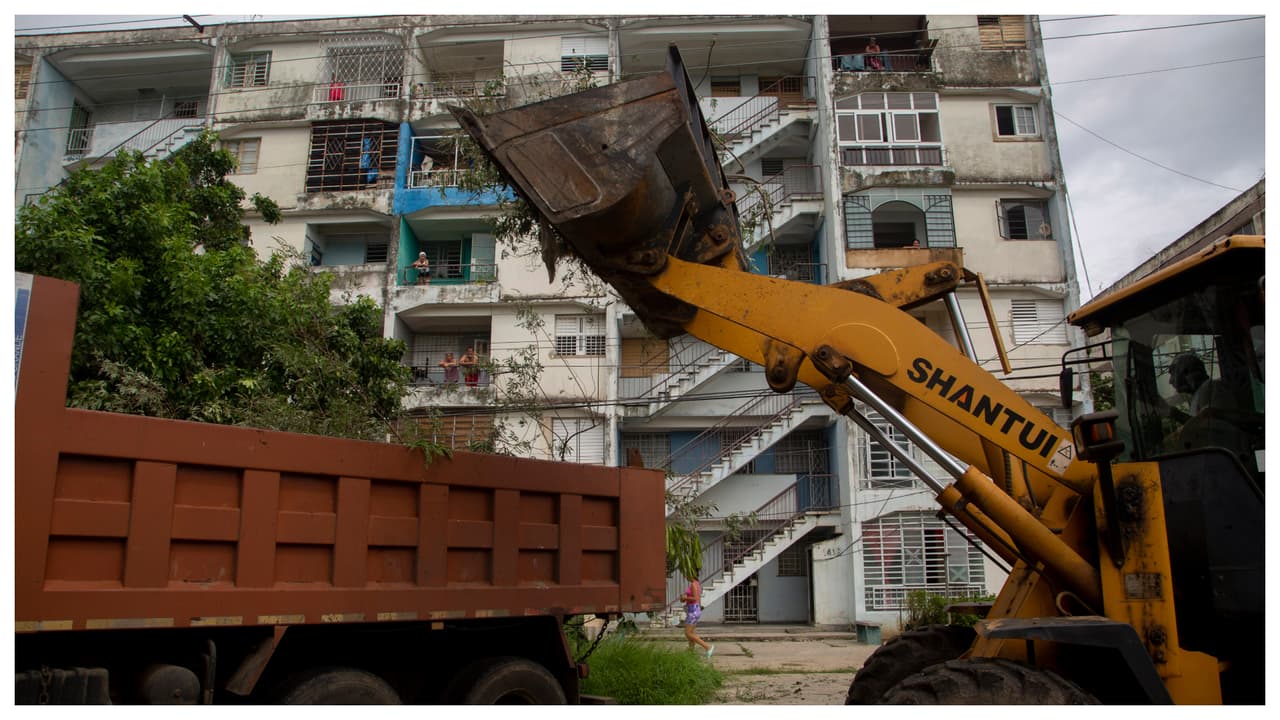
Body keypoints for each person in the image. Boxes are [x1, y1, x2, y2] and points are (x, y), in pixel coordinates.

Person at [681, 576, 714, 657]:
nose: (686, 576)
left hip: (693, 611)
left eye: (687, 573)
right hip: (693, 610)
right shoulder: (696, 584)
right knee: (691, 633)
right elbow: (693, 598)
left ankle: (708, 647)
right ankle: (690, 651)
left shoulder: (693, 584)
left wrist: (686, 597)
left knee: (688, 633)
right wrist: (684, 598)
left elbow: (695, 598)